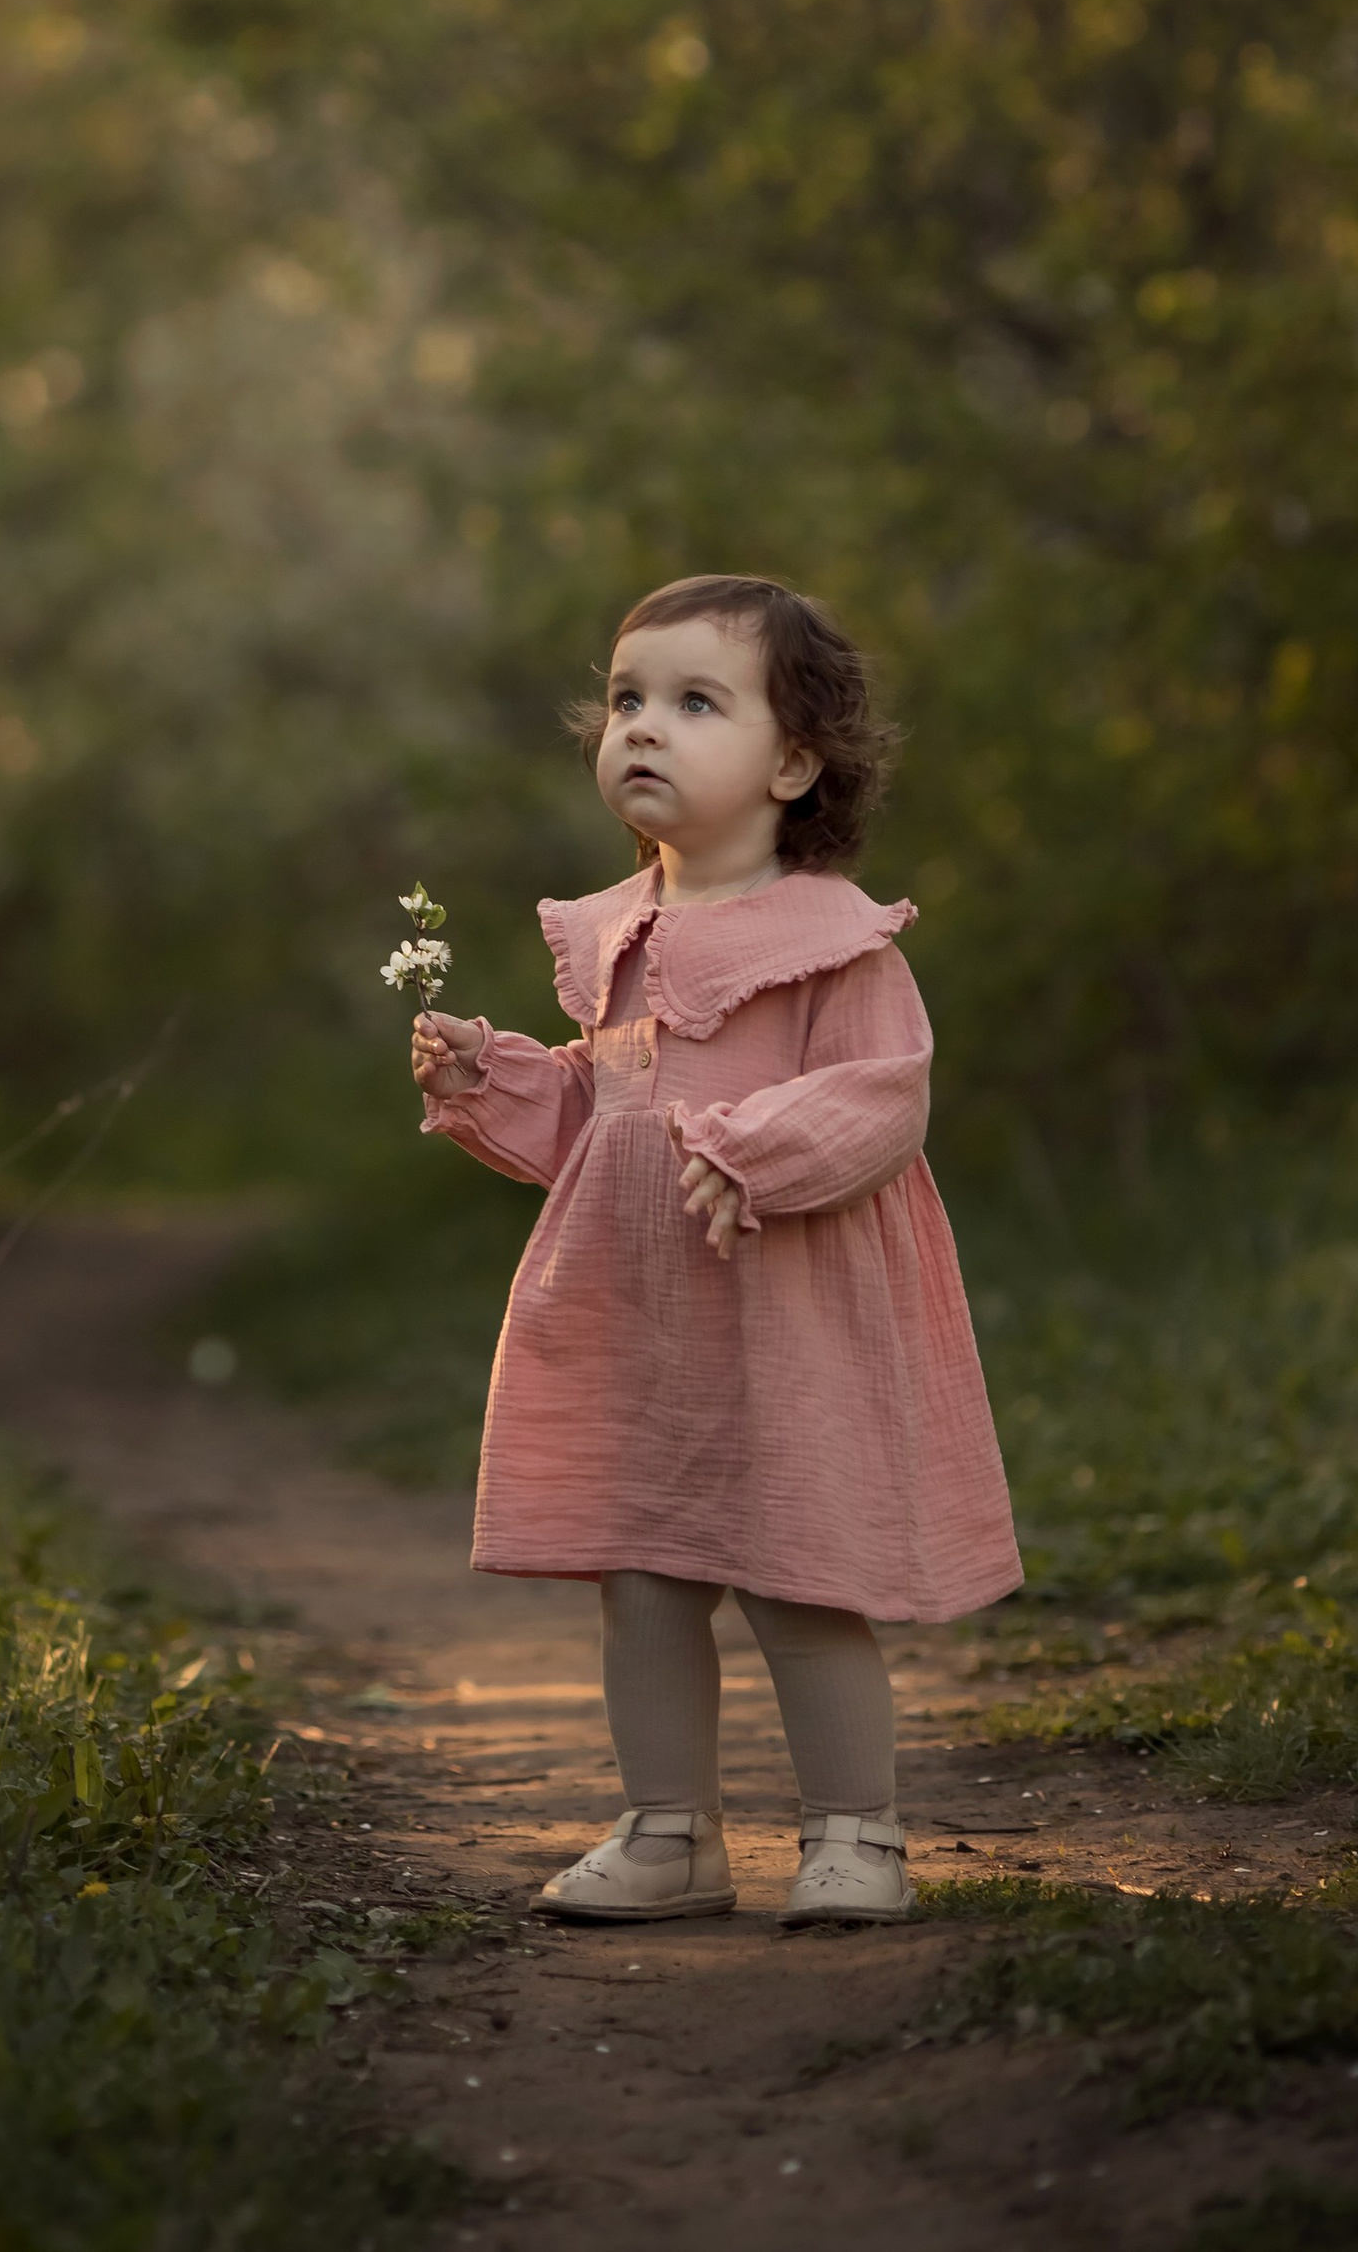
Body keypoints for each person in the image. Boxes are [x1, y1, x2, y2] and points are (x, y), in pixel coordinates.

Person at [409, 572, 1018, 1931]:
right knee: (642, 1570)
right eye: (627, 699)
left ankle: (856, 1832)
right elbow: (597, 1110)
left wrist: (754, 1147)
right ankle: (671, 1830)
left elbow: (883, 1097)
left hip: (784, 1311)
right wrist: (489, 1074)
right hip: (642, 1317)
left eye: (695, 702)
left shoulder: (832, 943)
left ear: (794, 763)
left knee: (795, 1570)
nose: (643, 728)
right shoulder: (617, 935)